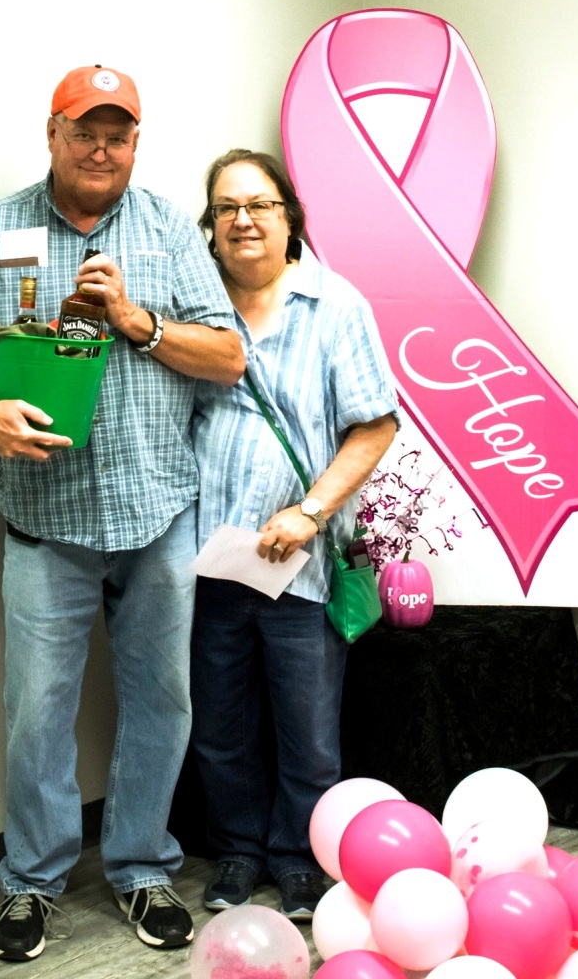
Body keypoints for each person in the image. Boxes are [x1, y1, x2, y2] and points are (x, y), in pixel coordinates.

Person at [0, 66, 245, 962]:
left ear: (136, 144)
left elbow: (228, 356)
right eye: (85, 132)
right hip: (45, 518)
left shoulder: (170, 233)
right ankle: (31, 882)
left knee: (160, 703)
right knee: (37, 710)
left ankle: (142, 867)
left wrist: (140, 322)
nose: (101, 150)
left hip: (158, 514)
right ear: (53, 133)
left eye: (118, 135)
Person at [190, 149, 399, 921]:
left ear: (289, 217)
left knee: (307, 733)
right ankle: (239, 852)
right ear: (210, 225)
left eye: (259, 205)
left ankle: (300, 859)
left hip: (300, 563)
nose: (242, 220)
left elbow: (375, 427)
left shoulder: (335, 306)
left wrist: (309, 511)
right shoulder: (194, 306)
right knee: (220, 726)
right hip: (209, 561)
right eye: (226, 208)